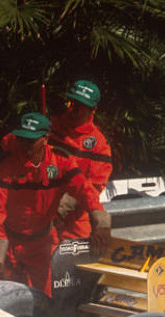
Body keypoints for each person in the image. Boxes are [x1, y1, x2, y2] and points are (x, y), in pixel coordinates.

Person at [0, 112, 111, 295]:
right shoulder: (4, 165)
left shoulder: (62, 161)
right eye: (22, 140)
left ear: (45, 139)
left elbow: (86, 190)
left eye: (31, 141)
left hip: (42, 245)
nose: (25, 146)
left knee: (48, 302)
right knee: (7, 304)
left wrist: (100, 222)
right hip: (10, 244)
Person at [49, 80, 113, 241]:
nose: (74, 111)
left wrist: (62, 207)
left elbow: (94, 186)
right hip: (40, 213)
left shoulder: (99, 144)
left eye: (81, 107)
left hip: (74, 220)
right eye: (71, 103)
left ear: (93, 110)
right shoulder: (49, 128)